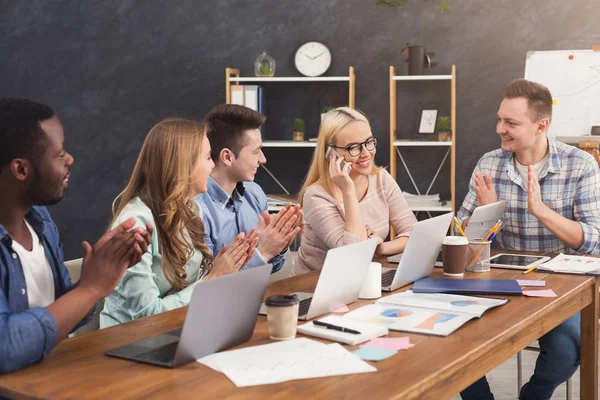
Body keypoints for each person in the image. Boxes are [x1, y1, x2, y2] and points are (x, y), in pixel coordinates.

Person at [457, 79, 600, 400]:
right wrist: (486, 213)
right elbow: (459, 236)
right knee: (452, 345)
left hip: (560, 288)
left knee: (567, 352)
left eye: (511, 123)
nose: (500, 128)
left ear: (541, 125)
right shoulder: (489, 163)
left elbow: (595, 240)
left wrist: (541, 210)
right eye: (499, 119)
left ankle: (533, 395)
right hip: (500, 283)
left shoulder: (581, 165)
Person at [0, 98, 152, 374]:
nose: (70, 159)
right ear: (21, 169)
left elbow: (59, 314)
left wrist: (101, 274)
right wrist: (90, 289)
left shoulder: (40, 220)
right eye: (59, 155)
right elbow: (5, 347)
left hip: (60, 379)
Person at [100, 118, 258, 328]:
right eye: (208, 157)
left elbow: (190, 287)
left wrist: (228, 268)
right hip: (129, 343)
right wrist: (212, 280)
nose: (213, 165)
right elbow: (148, 315)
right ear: (183, 165)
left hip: (178, 330)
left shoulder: (191, 210)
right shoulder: (135, 225)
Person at [293, 107, 417, 275]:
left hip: (361, 280)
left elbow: (413, 233)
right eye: (353, 147)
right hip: (314, 289)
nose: (366, 153)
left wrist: (380, 247)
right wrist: (348, 191)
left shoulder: (381, 179)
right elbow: (353, 254)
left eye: (369, 142)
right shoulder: (316, 196)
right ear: (331, 153)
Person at [197, 105, 303, 273]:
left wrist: (279, 247)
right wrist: (264, 251)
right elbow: (207, 284)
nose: (263, 159)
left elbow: (271, 267)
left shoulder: (255, 193)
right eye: (256, 151)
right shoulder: (197, 209)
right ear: (227, 157)